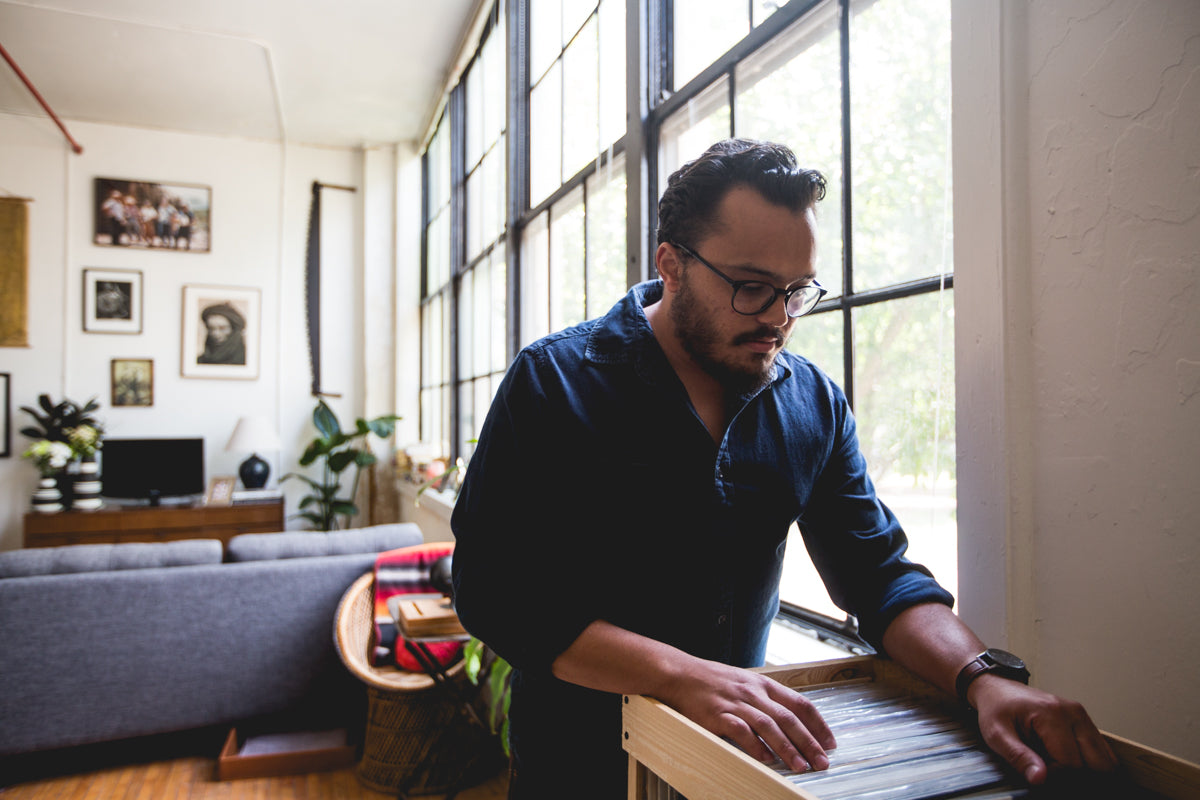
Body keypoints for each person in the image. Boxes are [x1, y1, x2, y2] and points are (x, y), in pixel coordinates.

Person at [451, 138, 1117, 799]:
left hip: (736, 769)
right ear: (672, 264)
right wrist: (682, 676)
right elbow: (492, 590)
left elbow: (878, 576)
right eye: (750, 287)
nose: (777, 318)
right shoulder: (552, 380)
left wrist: (982, 679)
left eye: (797, 292)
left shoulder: (814, 403)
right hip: (574, 770)